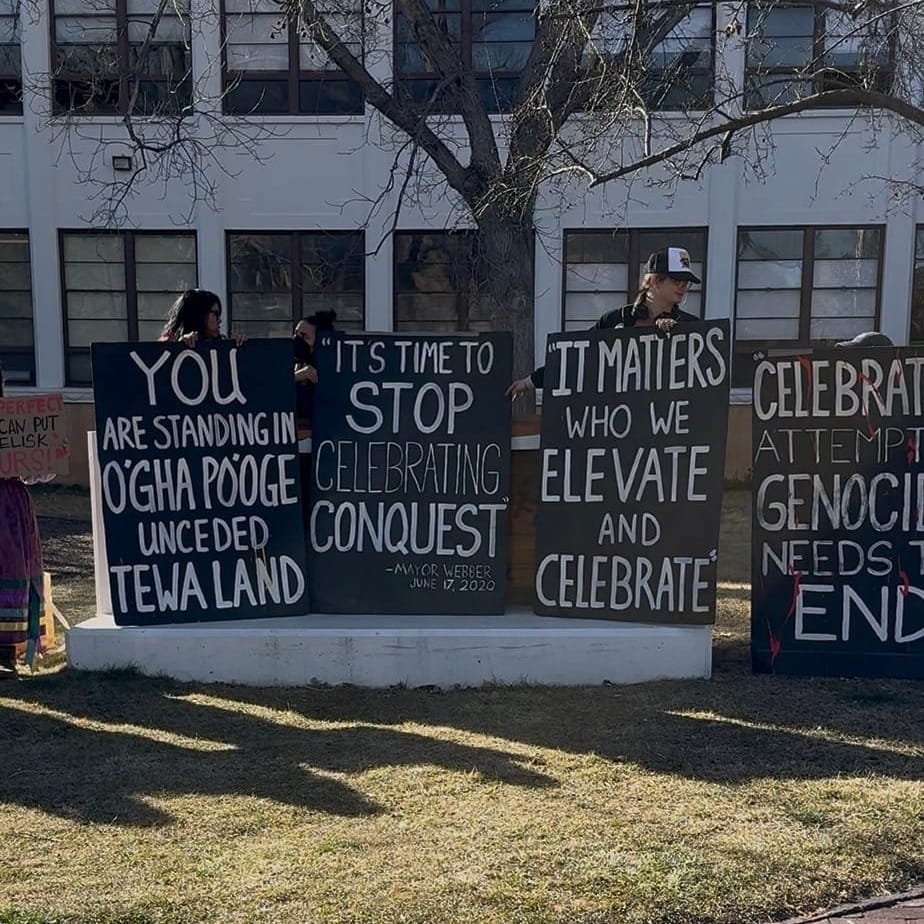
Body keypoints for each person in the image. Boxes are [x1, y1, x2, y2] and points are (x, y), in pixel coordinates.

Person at [506, 246, 701, 398]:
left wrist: (678, 335)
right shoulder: (615, 320)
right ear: (655, 281)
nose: (683, 288)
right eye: (677, 282)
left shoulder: (691, 327)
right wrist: (531, 382)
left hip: (663, 427)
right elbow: (578, 357)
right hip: (620, 425)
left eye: (686, 283)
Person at [0, 365, 45, 679]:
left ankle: (7, 653)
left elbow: (33, 470)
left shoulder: (16, 420)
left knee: (14, 571)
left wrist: (49, 456)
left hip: (11, 507)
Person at [294, 310, 337, 426]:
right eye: (296, 333)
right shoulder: (295, 362)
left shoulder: (333, 368)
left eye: (304, 336)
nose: (297, 339)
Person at [159, 289, 245, 347]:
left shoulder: (222, 346)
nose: (219, 320)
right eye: (215, 313)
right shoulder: (167, 348)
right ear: (199, 315)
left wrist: (240, 346)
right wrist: (180, 347)